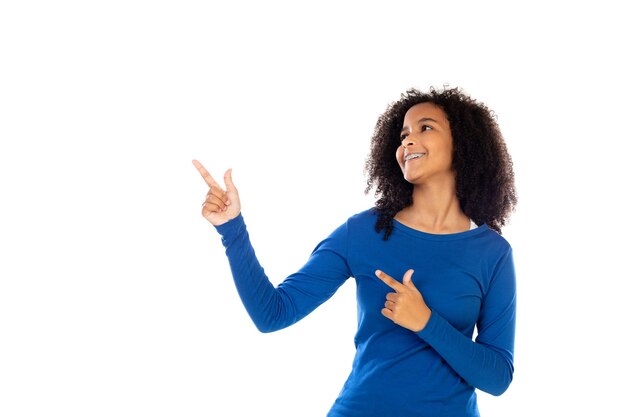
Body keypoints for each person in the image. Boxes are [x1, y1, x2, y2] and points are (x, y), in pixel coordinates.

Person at [192, 86, 517, 417]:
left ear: (462, 143)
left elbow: (497, 378)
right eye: (403, 134)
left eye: (425, 127)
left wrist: (426, 321)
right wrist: (232, 229)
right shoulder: (363, 233)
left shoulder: (493, 253)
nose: (407, 141)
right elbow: (273, 313)